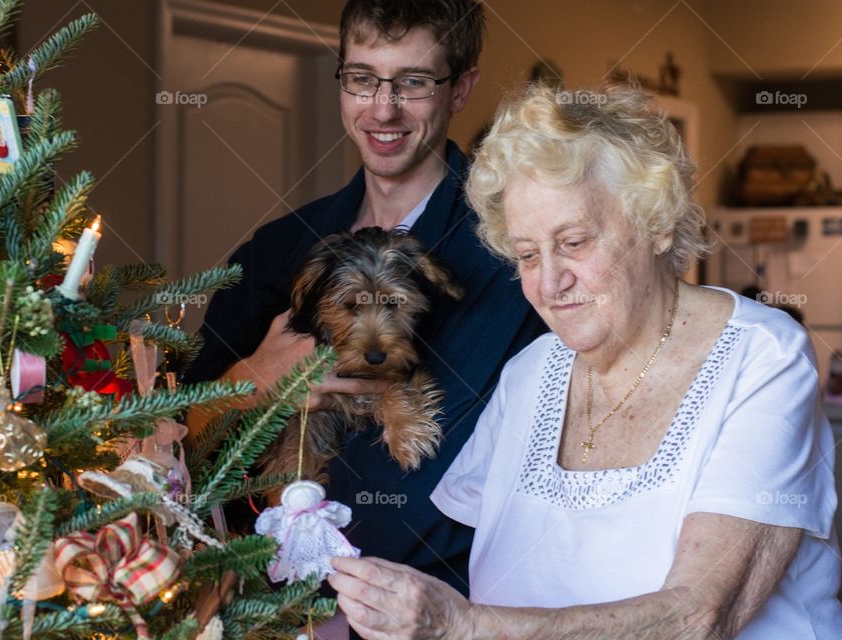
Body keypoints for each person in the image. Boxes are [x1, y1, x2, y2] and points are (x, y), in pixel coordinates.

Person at [328, 83, 842, 639]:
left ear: (657, 224)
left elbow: (700, 617)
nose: (549, 283)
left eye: (573, 242)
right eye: (527, 254)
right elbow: (454, 559)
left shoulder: (761, 356)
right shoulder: (528, 374)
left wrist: (463, 626)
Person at [183, 0, 546, 607]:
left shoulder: (517, 251)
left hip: (447, 610)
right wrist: (254, 383)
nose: (383, 108)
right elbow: (172, 441)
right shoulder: (273, 253)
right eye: (362, 78)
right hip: (269, 610)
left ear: (461, 89)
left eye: (414, 81)